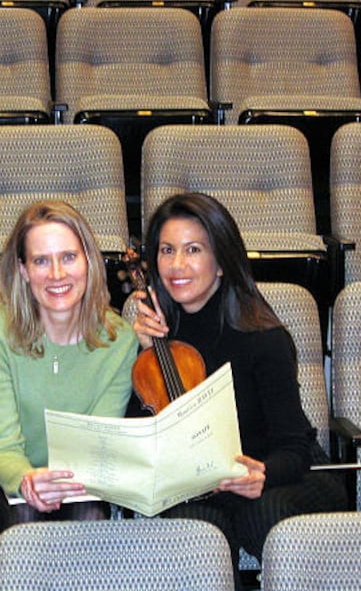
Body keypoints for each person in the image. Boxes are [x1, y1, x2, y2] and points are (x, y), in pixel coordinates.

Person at [131, 193, 347, 571]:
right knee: (196, 530)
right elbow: (141, 433)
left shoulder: (263, 338)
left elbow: (294, 448)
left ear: (220, 262)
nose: (176, 265)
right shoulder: (155, 336)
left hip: (276, 475)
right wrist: (142, 352)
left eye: (193, 249)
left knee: (263, 515)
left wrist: (261, 474)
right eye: (166, 250)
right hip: (199, 487)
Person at [0, 200, 138, 534]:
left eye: (69, 257)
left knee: (90, 515)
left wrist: (57, 483)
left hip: (71, 480)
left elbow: (94, 446)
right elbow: (3, 446)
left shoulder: (120, 340)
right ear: (23, 270)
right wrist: (27, 481)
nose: (57, 274)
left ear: (88, 261)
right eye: (41, 261)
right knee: (26, 521)